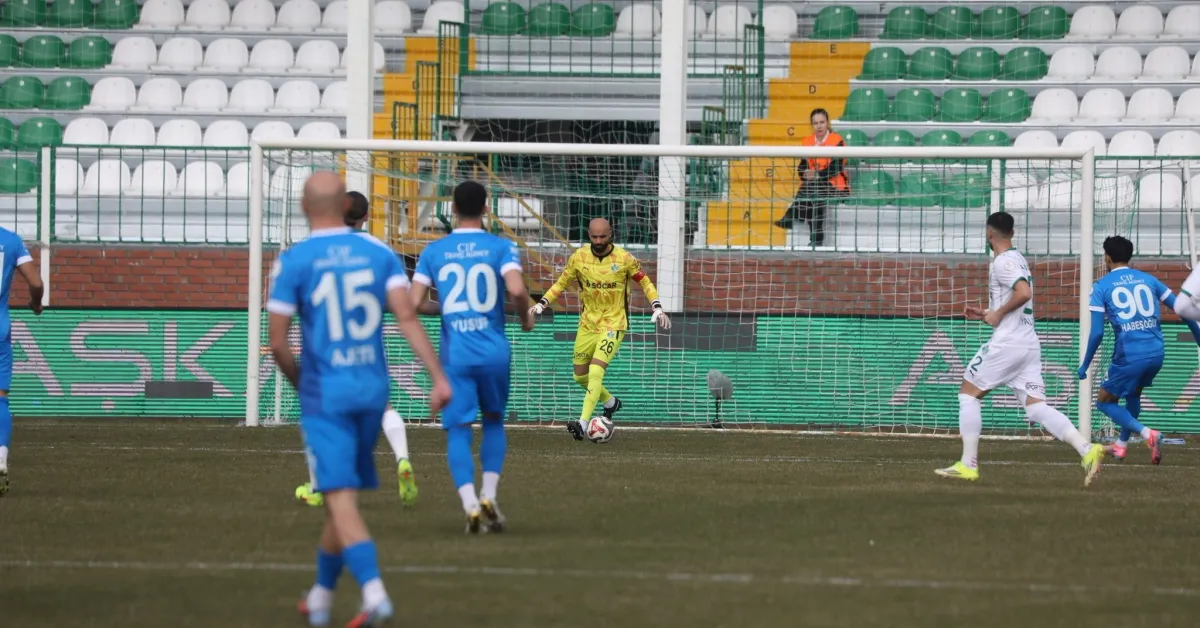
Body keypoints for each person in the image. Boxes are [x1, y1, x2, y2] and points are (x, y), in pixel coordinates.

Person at [268, 171, 451, 626]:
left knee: (340, 499)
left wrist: (301, 385)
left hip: (326, 391)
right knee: (339, 495)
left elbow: (277, 345)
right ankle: (320, 598)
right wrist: (438, 377)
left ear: (306, 208)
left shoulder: (293, 260)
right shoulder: (378, 252)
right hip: (373, 389)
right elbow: (407, 316)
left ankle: (374, 594)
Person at [936, 211, 1105, 486]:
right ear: (1012, 234)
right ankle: (1088, 450)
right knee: (1036, 409)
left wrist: (999, 314)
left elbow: (1024, 293)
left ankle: (968, 465)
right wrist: (986, 313)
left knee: (968, 395)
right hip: (1027, 343)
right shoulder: (1018, 259)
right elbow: (1019, 297)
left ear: (989, 234)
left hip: (1009, 343)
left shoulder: (1003, 262)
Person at [408, 181, 534, 533]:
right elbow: (518, 290)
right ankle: (489, 494)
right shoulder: (502, 247)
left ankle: (469, 503)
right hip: (494, 352)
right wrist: (525, 318)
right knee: (493, 421)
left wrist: (444, 308)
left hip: (456, 356)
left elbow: (414, 302)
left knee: (458, 429)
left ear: (451, 208)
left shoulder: (434, 251)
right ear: (486, 208)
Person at [295, 190, 419, 509]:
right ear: (366, 217)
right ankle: (403, 458)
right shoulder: (379, 249)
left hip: (328, 344)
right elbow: (403, 300)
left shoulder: (316, 246)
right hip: (367, 344)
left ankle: (318, 486)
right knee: (384, 406)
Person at [530, 217, 671, 441]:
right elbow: (561, 283)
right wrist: (542, 303)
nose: (598, 240)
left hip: (614, 324)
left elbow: (644, 281)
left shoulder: (624, 259)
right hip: (587, 324)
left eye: (602, 236)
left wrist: (657, 307)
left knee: (595, 372)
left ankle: (582, 424)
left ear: (611, 234)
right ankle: (611, 402)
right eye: (594, 236)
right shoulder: (579, 257)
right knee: (580, 377)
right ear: (588, 235)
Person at [1077, 236, 1200, 464]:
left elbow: (1096, 333)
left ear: (1107, 257)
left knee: (1104, 402)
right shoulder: (1148, 279)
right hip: (1156, 352)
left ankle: (1147, 434)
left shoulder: (1101, 287)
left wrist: (1085, 364)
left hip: (1130, 355)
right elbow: (1185, 311)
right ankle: (1121, 446)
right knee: (1133, 393)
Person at [0, 228, 44, 496]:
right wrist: (35, 303)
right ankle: (0, 456)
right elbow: (36, 283)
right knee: (1, 399)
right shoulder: (11, 241)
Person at [773, 108, 850, 247]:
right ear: (812, 125)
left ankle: (793, 215)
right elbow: (802, 166)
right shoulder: (807, 141)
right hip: (814, 187)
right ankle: (816, 240)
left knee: (813, 190)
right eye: (815, 123)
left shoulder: (837, 140)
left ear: (827, 123)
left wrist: (817, 175)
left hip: (836, 186)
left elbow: (836, 167)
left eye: (822, 122)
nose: (819, 126)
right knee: (813, 193)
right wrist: (804, 174)